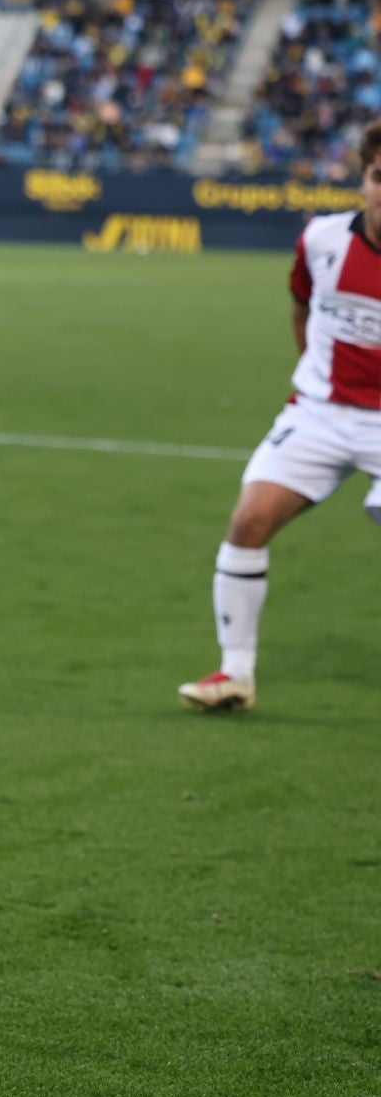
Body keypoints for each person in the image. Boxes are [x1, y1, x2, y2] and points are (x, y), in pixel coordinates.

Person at [178, 121, 381, 712]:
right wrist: (315, 382)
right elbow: (301, 308)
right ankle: (234, 676)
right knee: (248, 522)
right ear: (363, 179)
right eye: (378, 177)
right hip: (321, 412)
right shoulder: (321, 239)